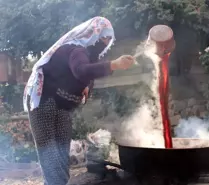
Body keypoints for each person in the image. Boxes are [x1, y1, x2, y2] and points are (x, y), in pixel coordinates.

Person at [23, 17, 135, 185]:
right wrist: (114, 65)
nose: (106, 43)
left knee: (61, 149)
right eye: (104, 38)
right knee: (50, 151)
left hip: (62, 105)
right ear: (94, 34)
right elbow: (82, 70)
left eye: (109, 40)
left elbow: (87, 74)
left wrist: (88, 86)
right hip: (44, 101)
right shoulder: (76, 49)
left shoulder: (87, 55)